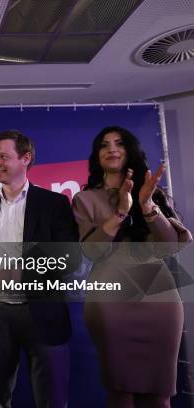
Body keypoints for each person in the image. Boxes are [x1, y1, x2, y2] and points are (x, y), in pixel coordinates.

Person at [72, 126, 192, 408]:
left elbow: (171, 247)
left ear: (130, 151)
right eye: (104, 145)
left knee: (160, 392)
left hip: (159, 299)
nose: (111, 149)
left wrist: (147, 204)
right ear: (97, 155)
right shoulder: (84, 199)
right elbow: (92, 251)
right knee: (120, 391)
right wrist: (121, 211)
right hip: (111, 301)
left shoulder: (152, 192)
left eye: (119, 143)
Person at [0, 130, 79, 408]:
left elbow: (69, 258)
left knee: (52, 399)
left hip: (43, 310)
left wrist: (21, 269)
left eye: (3, 156)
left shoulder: (54, 203)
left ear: (25, 158)